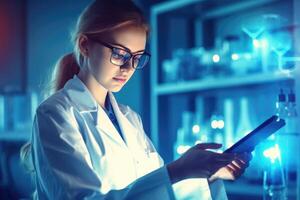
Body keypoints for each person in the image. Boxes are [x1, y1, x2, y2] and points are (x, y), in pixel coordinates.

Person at [25, 0, 252, 199]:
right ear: (85, 45)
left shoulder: (129, 118)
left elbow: (157, 190)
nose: (128, 68)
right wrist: (176, 170)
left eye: (136, 57)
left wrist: (206, 175)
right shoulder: (55, 114)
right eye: (119, 54)